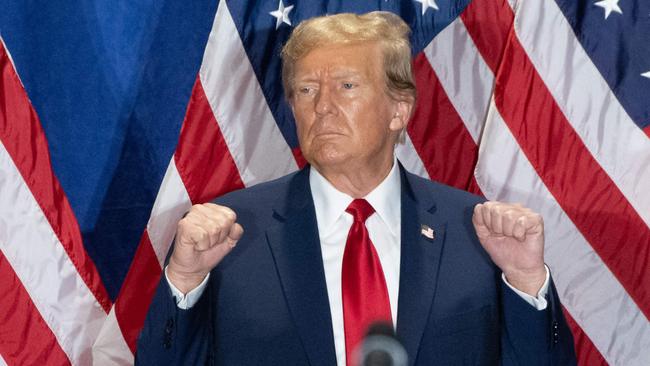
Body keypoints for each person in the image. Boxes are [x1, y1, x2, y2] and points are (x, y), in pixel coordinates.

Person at [136, 11, 576, 366]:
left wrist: (525, 283)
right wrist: (185, 280)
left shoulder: (477, 233)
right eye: (306, 89)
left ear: (399, 110)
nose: (322, 106)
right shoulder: (231, 234)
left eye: (346, 86)